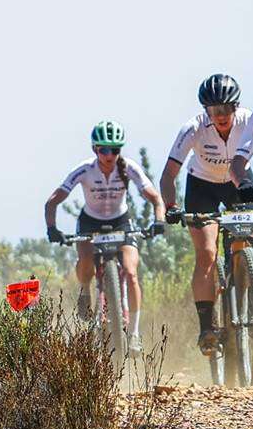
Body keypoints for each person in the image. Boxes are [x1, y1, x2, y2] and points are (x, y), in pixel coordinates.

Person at [160, 73, 253, 354]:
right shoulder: (192, 128)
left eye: (227, 108)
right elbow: (168, 175)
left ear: (236, 107)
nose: (221, 115)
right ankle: (206, 327)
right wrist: (170, 206)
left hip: (239, 182)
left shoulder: (248, 119)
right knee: (206, 253)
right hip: (201, 186)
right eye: (214, 110)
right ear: (206, 110)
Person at [45, 120, 165, 352]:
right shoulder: (85, 170)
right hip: (90, 222)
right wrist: (52, 228)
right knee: (86, 263)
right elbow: (53, 201)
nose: (110, 155)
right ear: (94, 149)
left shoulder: (128, 167)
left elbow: (155, 198)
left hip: (121, 220)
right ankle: (84, 289)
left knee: (131, 273)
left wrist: (158, 221)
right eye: (104, 150)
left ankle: (135, 333)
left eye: (115, 150)